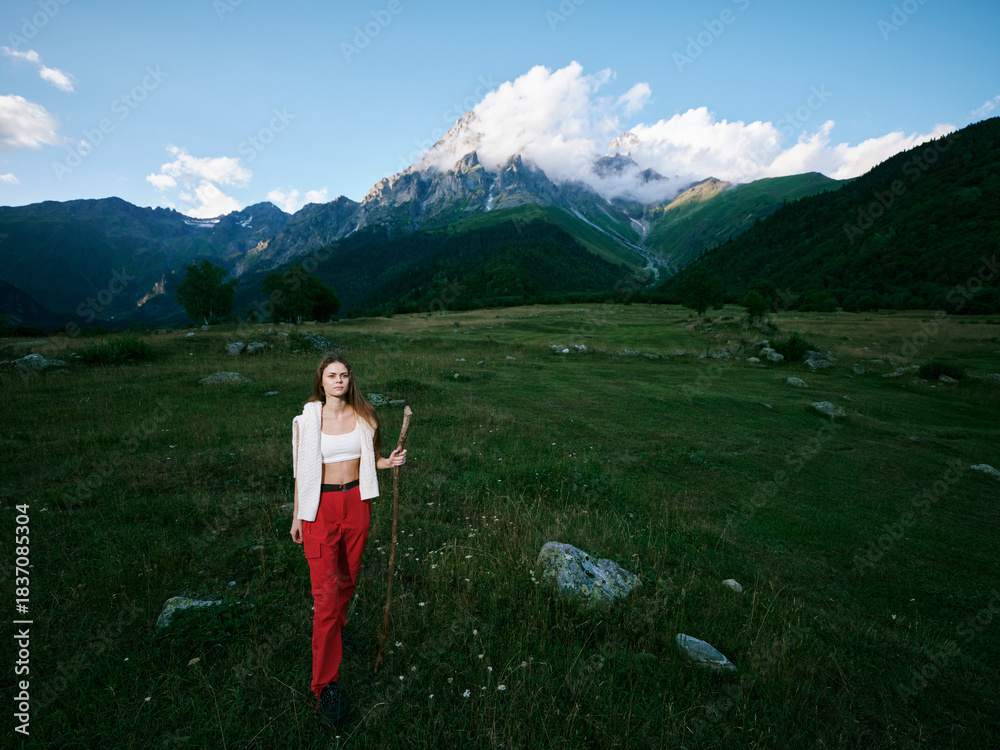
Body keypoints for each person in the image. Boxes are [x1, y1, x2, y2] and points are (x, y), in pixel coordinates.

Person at [290, 353, 406, 725]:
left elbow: (368, 458)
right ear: (320, 382)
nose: (338, 380)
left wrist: (388, 462)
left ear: (349, 379)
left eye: (343, 374)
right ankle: (325, 686)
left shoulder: (365, 416)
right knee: (325, 599)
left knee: (347, 583)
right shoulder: (306, 421)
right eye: (331, 375)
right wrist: (297, 515)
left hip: (356, 504)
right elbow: (301, 473)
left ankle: (334, 638)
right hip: (320, 508)